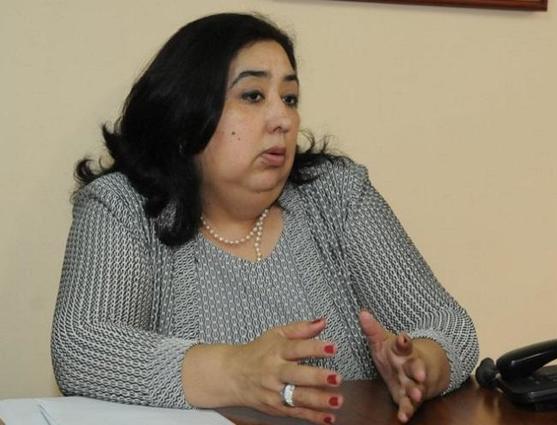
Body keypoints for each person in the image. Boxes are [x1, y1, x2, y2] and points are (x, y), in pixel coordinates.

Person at [51, 13, 479, 425]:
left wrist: (422, 365)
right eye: (253, 96)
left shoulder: (335, 194)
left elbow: (451, 326)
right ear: (186, 111)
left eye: (289, 99)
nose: (283, 119)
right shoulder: (123, 206)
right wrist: (236, 372)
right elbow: (81, 347)